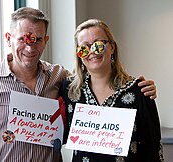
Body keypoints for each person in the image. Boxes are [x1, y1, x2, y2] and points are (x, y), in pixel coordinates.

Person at [0, 7, 157, 162]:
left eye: (37, 40)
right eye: (23, 39)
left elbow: (152, 146)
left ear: (45, 41)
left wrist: (142, 88)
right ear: (8, 39)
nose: (30, 47)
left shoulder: (60, 79)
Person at [60, 19, 164, 162]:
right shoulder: (69, 89)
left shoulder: (139, 91)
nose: (92, 52)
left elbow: (152, 147)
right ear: (79, 54)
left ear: (112, 47)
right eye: (84, 48)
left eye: (98, 45)